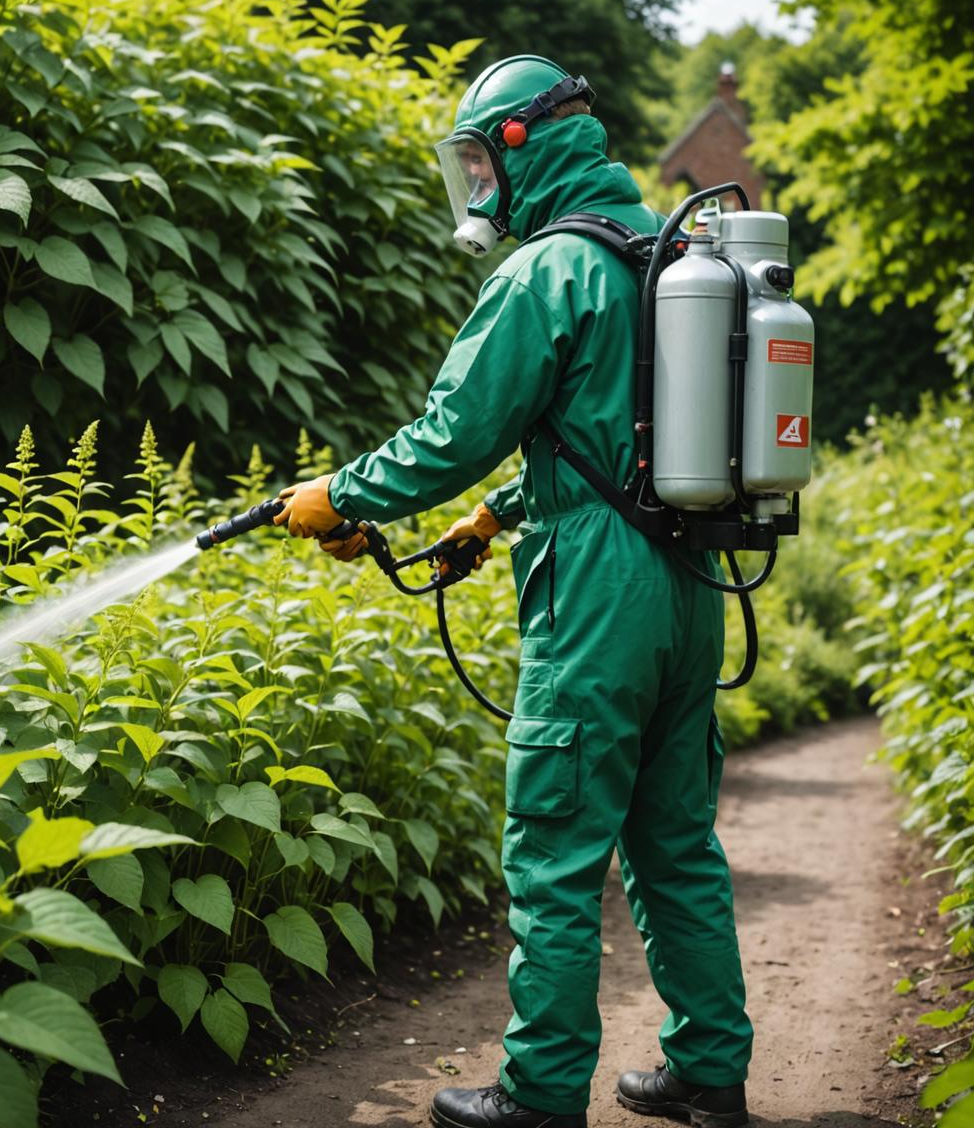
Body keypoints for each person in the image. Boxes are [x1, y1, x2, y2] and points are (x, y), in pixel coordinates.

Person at [274, 55, 753, 1128]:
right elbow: (613, 439)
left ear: (527, 146)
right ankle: (711, 1071)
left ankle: (538, 1096)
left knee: (555, 845)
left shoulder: (545, 272)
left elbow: (452, 433)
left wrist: (339, 495)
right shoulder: (666, 256)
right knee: (675, 842)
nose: (478, 189)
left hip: (597, 595)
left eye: (481, 164)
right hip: (685, 579)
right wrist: (499, 515)